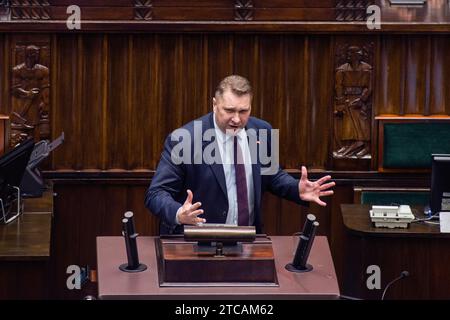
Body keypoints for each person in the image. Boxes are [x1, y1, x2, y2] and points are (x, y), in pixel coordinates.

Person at [145, 75, 335, 235]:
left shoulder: (262, 130)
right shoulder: (185, 139)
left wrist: (296, 189)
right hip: (197, 243)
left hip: (248, 241)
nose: (237, 119)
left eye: (243, 111)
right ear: (214, 104)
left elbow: (272, 176)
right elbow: (156, 194)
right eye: (229, 110)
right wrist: (179, 213)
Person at [334, 46, 372, 158]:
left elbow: (370, 86)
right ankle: (349, 144)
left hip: (360, 100)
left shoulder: (367, 68)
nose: (353, 56)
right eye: (351, 54)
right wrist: (341, 101)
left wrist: (361, 99)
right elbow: (338, 86)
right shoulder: (342, 69)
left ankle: (364, 145)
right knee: (348, 124)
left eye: (356, 54)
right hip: (347, 99)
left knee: (361, 123)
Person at [11, 45, 50, 146]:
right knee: (21, 127)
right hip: (21, 103)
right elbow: (14, 88)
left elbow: (46, 87)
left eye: (38, 53)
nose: (38, 56)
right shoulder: (18, 69)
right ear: (29, 55)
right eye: (36, 53)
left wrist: (45, 102)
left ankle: (36, 149)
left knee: (36, 127)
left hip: (37, 103)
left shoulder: (43, 70)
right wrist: (27, 93)